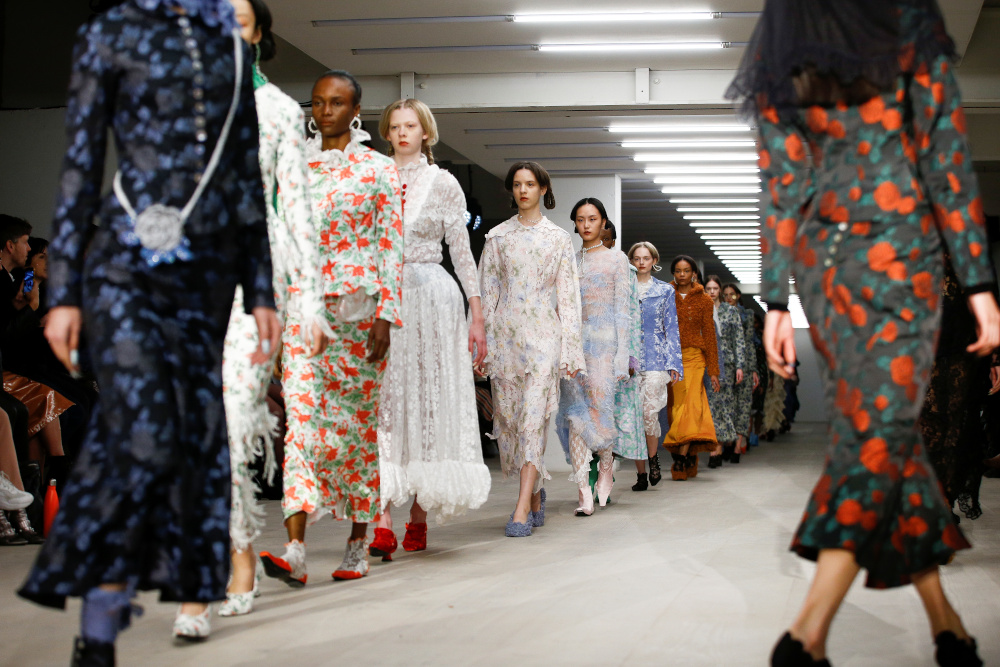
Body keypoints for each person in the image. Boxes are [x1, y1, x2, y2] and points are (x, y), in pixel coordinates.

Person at [726, 1, 1000, 665]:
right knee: (884, 431)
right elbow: (945, 162)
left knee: (880, 432)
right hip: (904, 253)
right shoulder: (907, 20)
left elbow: (781, 185)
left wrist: (778, 299)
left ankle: (943, 621)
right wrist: (981, 283)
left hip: (829, 261)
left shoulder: (788, 36)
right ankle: (806, 634)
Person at [16, 2, 279, 664]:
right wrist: (66, 289)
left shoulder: (231, 48)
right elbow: (79, 164)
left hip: (210, 270)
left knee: (191, 432)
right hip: (128, 257)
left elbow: (246, 177)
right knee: (135, 427)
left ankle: (189, 587)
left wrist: (264, 288)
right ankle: (100, 621)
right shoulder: (109, 34)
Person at [170, 0, 331, 633]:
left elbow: (296, 209)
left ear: (258, 35)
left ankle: (219, 566)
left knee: (234, 420)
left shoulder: (279, 112)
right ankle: (220, 560)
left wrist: (311, 300)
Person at [259, 69, 404, 585]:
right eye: (317, 103)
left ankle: (358, 540)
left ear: (355, 110)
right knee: (300, 428)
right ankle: (295, 549)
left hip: (359, 315)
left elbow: (391, 245)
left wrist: (387, 314)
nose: (325, 111)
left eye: (336, 103)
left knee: (355, 432)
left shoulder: (378, 170)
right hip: (302, 312)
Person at [370, 99, 491, 559]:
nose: (402, 133)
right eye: (395, 126)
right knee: (384, 400)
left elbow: (462, 252)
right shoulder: (374, 178)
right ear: (388, 132)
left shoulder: (444, 184)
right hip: (383, 298)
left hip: (433, 298)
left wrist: (476, 317)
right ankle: (381, 515)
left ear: (426, 133)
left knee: (427, 398)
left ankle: (418, 515)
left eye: (411, 126)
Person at [479, 161, 584, 536]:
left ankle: (521, 507)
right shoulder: (497, 238)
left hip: (543, 337)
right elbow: (487, 296)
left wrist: (571, 352)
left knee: (532, 420)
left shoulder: (558, 239)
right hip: (505, 339)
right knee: (508, 422)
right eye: (517, 184)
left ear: (543, 189)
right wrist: (482, 348)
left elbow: (569, 299)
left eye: (530, 184)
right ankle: (535, 492)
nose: (523, 190)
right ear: (511, 190)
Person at [556, 198, 630, 515]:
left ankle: (606, 468)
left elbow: (624, 311)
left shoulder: (617, 260)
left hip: (605, 348)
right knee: (576, 417)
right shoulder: (568, 261)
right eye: (581, 219)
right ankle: (583, 491)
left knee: (601, 416)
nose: (586, 224)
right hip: (574, 348)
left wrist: (622, 357)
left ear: (603, 223)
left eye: (593, 218)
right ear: (575, 223)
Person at [626, 242, 682, 490]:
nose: (641, 262)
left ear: (654, 260)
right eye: (637, 258)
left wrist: (675, 364)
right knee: (633, 418)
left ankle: (653, 459)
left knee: (649, 413)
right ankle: (640, 473)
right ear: (631, 261)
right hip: (627, 362)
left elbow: (671, 328)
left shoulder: (665, 291)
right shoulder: (623, 289)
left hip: (656, 360)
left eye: (646, 258)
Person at [662, 255, 719, 481]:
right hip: (672, 358)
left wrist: (713, 371)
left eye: (686, 270)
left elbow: (710, 336)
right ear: (673, 273)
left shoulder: (705, 300)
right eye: (678, 271)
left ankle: (681, 457)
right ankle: (688, 453)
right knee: (675, 409)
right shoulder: (665, 295)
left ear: (694, 273)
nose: (682, 274)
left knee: (691, 406)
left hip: (696, 358)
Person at [703, 275, 746, 469]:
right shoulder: (701, 308)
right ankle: (715, 449)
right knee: (710, 406)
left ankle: (721, 444)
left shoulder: (731, 311)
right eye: (708, 288)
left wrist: (740, 365)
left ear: (720, 290)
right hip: (706, 363)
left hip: (726, 364)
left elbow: (739, 339)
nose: (712, 292)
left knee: (723, 405)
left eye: (715, 288)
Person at [722, 283, 759, 460]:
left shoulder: (747, 315)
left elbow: (749, 342)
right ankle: (727, 442)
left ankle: (738, 446)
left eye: (732, 294)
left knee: (743, 405)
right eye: (726, 294)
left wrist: (753, 369)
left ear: (738, 295)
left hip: (744, 363)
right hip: (726, 364)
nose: (729, 297)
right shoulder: (718, 312)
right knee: (727, 404)